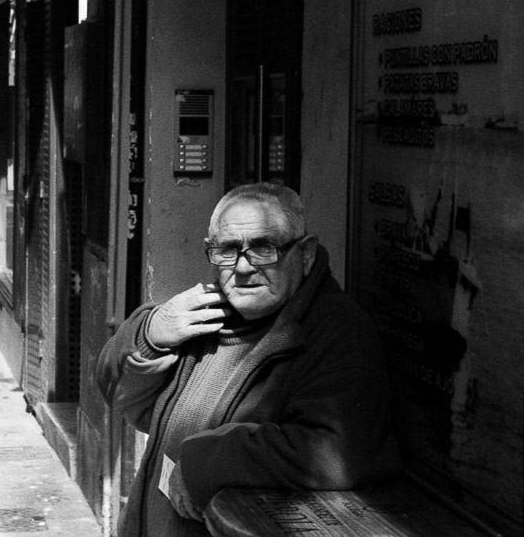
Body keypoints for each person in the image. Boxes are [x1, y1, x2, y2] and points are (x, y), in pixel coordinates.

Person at [96, 182, 400, 537]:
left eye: (263, 248)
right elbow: (118, 394)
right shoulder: (208, 311)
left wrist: (206, 464)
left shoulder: (337, 334)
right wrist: (149, 334)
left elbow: (343, 451)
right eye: (227, 250)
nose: (242, 268)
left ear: (306, 253)